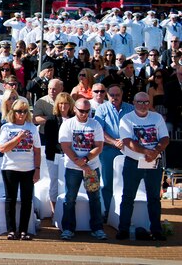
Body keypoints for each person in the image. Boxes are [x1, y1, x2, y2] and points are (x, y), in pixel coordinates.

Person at [115, 91, 170, 241]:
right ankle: (123, 229)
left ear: (150, 103)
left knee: (154, 198)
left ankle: (156, 230)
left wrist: (156, 151)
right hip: (133, 162)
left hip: (153, 163)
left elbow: (165, 138)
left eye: (146, 102)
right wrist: (146, 151)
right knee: (128, 197)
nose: (143, 105)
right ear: (134, 103)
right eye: (140, 102)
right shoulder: (127, 119)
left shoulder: (157, 117)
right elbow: (127, 141)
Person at [58, 97, 106, 240]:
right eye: (81, 111)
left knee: (95, 197)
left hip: (92, 167)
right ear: (74, 109)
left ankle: (97, 228)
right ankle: (68, 228)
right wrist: (79, 162)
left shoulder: (96, 124)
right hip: (73, 167)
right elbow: (65, 146)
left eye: (87, 111)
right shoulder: (68, 124)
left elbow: (99, 146)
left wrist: (85, 161)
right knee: (70, 197)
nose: (84, 114)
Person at [0, 98, 40, 240]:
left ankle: (23, 230)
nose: (21, 114)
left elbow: (37, 151)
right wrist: (18, 138)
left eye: (24, 111)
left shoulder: (32, 128)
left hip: (28, 168)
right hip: (10, 168)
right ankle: (11, 230)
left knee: (27, 200)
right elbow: (2, 148)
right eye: (18, 111)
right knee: (11, 199)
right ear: (13, 112)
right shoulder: (7, 128)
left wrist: (37, 169)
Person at [93, 84, 134, 218]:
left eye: (117, 95)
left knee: (127, 181)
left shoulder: (130, 108)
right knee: (108, 182)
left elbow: (135, 128)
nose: (114, 98)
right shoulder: (101, 109)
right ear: (107, 95)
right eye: (112, 95)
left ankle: (125, 213)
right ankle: (108, 212)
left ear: (122, 95)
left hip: (128, 149)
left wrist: (124, 141)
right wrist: (114, 142)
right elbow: (99, 130)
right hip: (108, 150)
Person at [43, 92, 74, 211]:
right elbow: (49, 139)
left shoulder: (74, 119)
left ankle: (67, 210)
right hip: (53, 156)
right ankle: (54, 211)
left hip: (71, 156)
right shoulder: (51, 120)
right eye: (61, 103)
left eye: (66, 103)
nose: (63, 106)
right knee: (55, 181)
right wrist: (61, 150)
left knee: (69, 182)